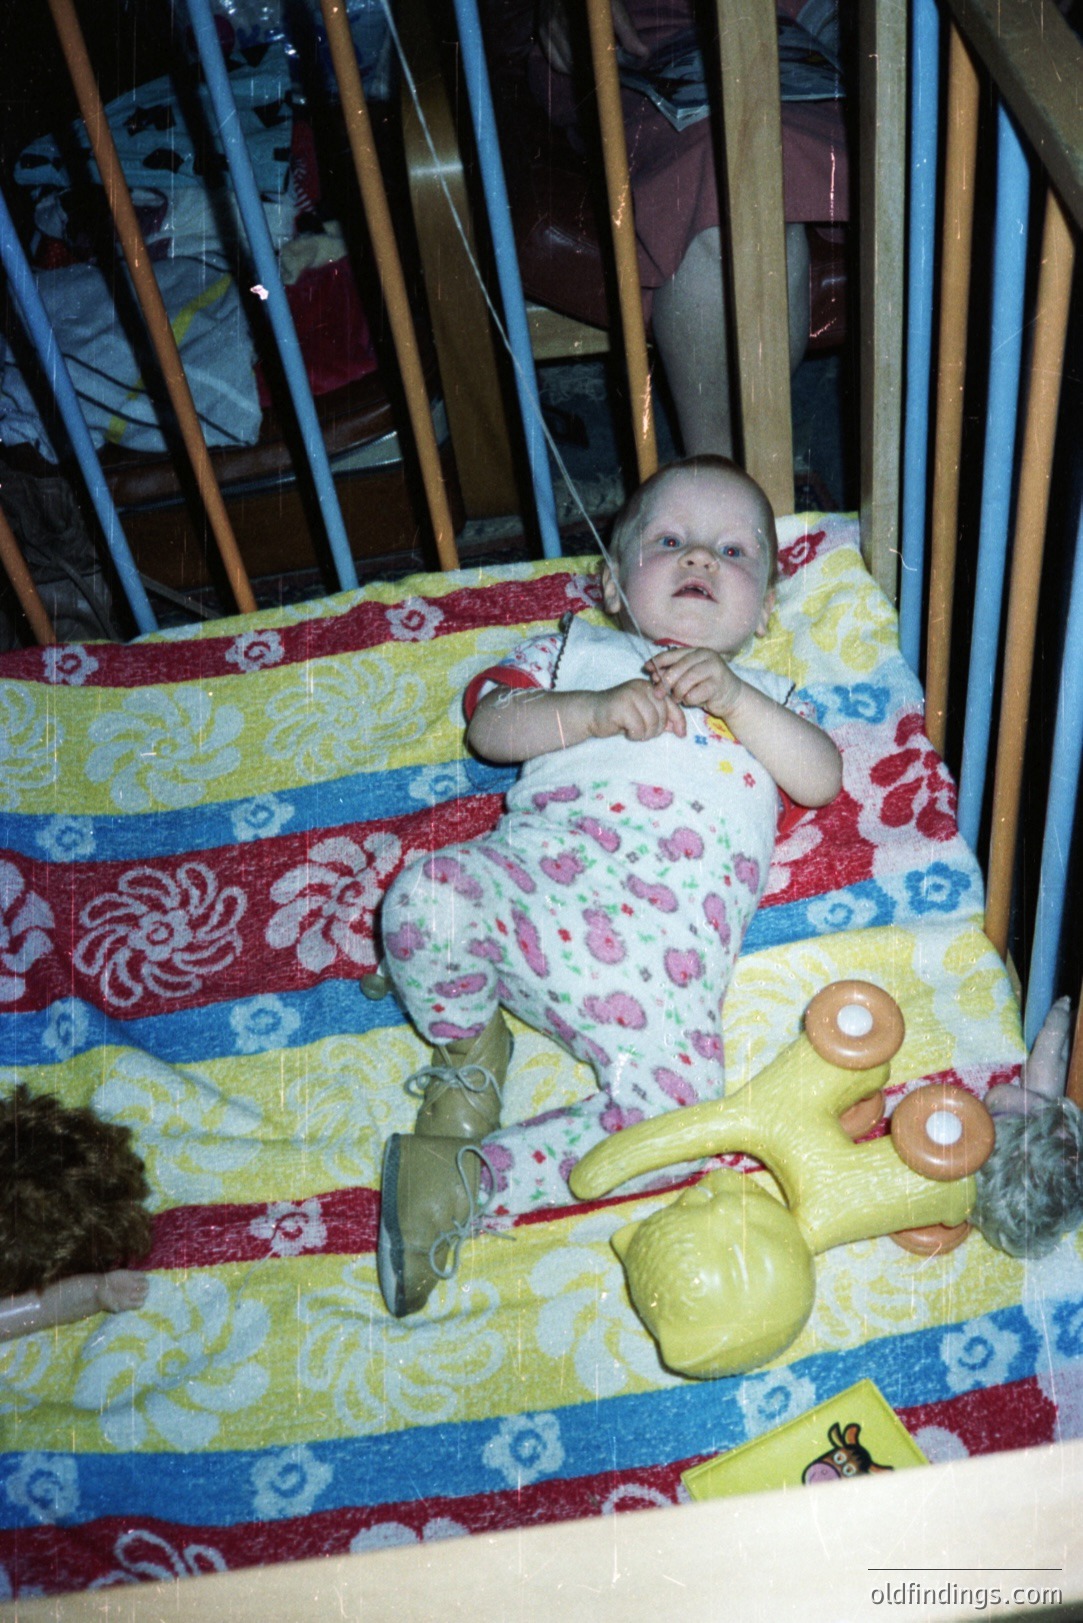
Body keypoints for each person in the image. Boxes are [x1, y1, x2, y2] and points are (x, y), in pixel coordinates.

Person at [376, 455, 842, 1317]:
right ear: (612, 583)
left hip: (652, 964)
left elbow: (818, 778)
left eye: (733, 553)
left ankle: (473, 1179)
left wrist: (736, 700)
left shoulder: (769, 696)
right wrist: (589, 711)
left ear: (765, 610)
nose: (701, 559)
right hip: (537, 891)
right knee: (426, 896)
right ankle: (469, 1053)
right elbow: (488, 726)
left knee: (680, 1117)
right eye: (671, 541)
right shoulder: (573, 651)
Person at [487, 0, 847, 456]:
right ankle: (721, 479)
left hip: (789, 42)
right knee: (725, 204)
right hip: (634, 40)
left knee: (754, 170)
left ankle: (740, 488)